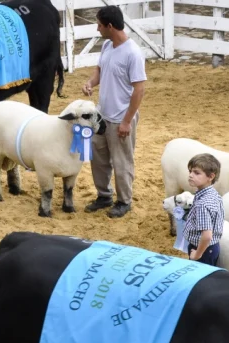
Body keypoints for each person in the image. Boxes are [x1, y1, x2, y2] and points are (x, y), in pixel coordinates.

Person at [82, 5, 147, 218]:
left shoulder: (133, 53)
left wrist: (127, 121)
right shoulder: (107, 47)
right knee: (98, 157)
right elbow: (100, 70)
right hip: (102, 115)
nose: (97, 28)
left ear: (110, 26)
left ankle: (124, 200)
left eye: (100, 25)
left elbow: (139, 90)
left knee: (122, 161)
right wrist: (91, 82)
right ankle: (104, 195)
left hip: (120, 116)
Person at [183, 154, 223, 266]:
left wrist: (197, 254)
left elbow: (207, 235)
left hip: (202, 249)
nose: (190, 175)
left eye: (196, 173)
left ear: (210, 177)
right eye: (190, 171)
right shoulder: (214, 194)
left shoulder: (202, 204)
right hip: (211, 247)